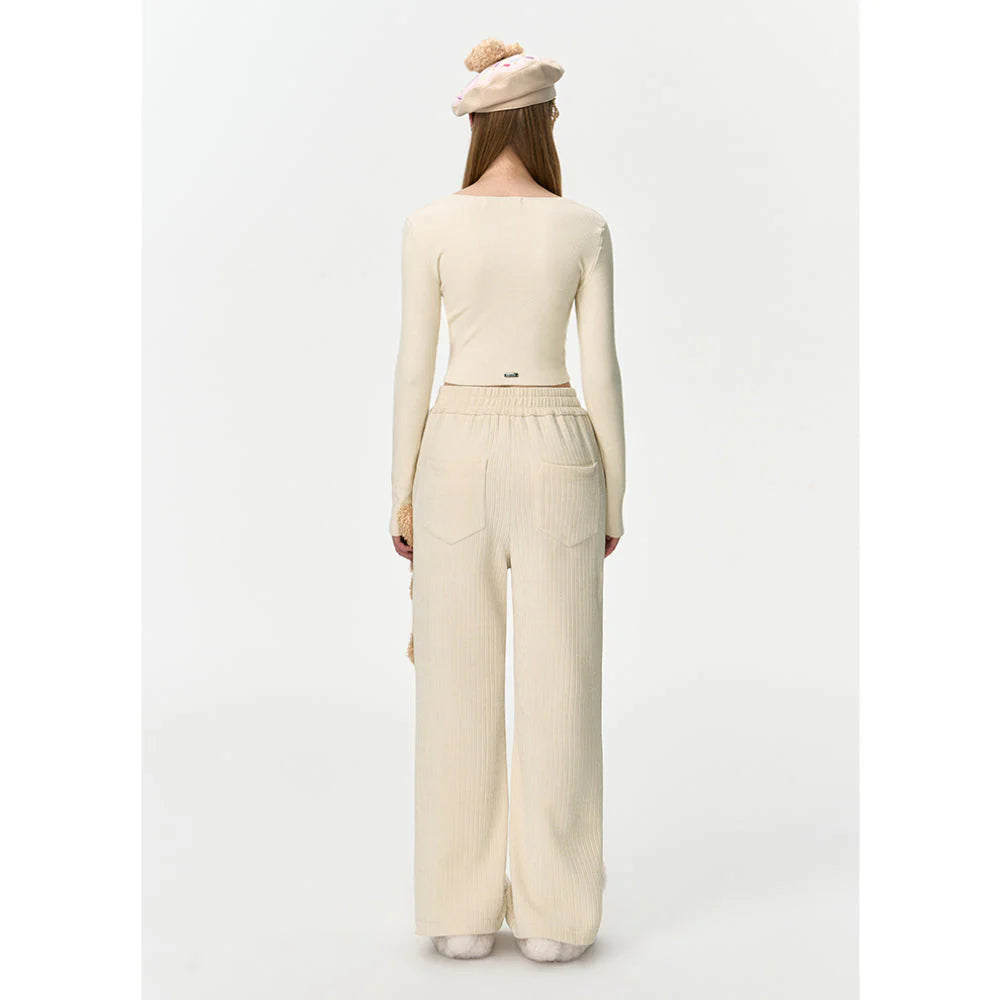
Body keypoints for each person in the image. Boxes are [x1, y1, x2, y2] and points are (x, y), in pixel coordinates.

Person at [389, 38, 626, 964]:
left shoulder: (429, 225)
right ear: (544, 121)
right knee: (563, 683)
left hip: (453, 448)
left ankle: (458, 913)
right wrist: (614, 495)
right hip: (560, 444)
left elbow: (414, 367)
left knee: (454, 683)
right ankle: (556, 918)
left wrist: (401, 491)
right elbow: (602, 370)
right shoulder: (583, 227)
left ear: (480, 127)